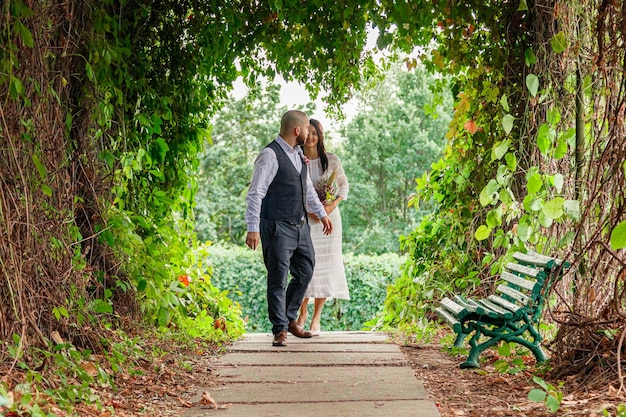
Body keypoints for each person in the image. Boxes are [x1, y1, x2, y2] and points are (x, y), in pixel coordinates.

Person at [245, 110, 333, 347]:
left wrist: (323, 213)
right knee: (278, 278)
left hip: (299, 224)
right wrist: (252, 227)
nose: (308, 132)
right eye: (306, 129)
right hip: (276, 225)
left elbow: (307, 190)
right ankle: (280, 330)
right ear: (297, 131)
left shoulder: (297, 155)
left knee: (305, 270)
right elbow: (256, 193)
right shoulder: (269, 156)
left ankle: (289, 318)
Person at [296, 119, 349, 336]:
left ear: (320, 136)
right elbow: (295, 188)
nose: (311, 137)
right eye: (308, 132)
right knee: (306, 266)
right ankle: (302, 312)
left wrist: (330, 206)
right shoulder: (297, 158)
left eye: (315, 133)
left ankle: (316, 318)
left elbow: (344, 186)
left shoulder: (332, 160)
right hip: (307, 218)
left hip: (330, 220)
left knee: (326, 267)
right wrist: (310, 211)